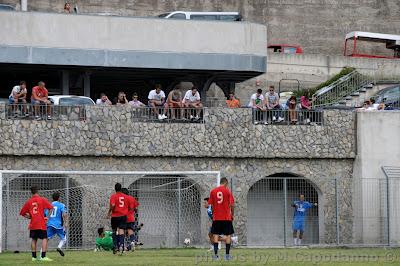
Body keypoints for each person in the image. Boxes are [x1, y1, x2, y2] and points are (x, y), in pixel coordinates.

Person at [19, 186, 54, 262]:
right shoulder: (42, 199)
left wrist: (30, 217)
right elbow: (51, 208)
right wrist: (47, 217)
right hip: (41, 223)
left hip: (33, 224)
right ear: (38, 191)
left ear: (31, 192)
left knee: (34, 239)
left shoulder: (29, 201)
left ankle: (34, 257)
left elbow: (22, 213)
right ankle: (43, 256)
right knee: (44, 238)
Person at [208, 177, 235, 261]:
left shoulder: (213, 191)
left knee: (215, 235)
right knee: (228, 235)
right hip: (226, 218)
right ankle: (227, 256)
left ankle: (216, 256)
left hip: (217, 218)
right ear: (226, 183)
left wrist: (214, 214)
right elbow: (232, 205)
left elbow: (211, 205)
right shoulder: (228, 191)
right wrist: (232, 214)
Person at [107, 183, 129, 255]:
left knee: (114, 231)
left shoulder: (113, 196)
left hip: (115, 216)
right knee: (121, 230)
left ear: (115, 189)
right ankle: (122, 246)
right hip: (123, 216)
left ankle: (115, 246)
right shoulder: (125, 197)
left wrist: (109, 212)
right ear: (121, 188)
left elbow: (113, 205)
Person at [45, 192, 68, 257]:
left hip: (50, 224)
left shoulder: (49, 204)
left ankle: (42, 254)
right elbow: (64, 214)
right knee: (64, 239)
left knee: (46, 239)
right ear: (59, 198)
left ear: (52, 198)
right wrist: (66, 222)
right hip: (58, 225)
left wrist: (46, 222)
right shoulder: (62, 205)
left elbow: (46, 214)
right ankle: (59, 247)